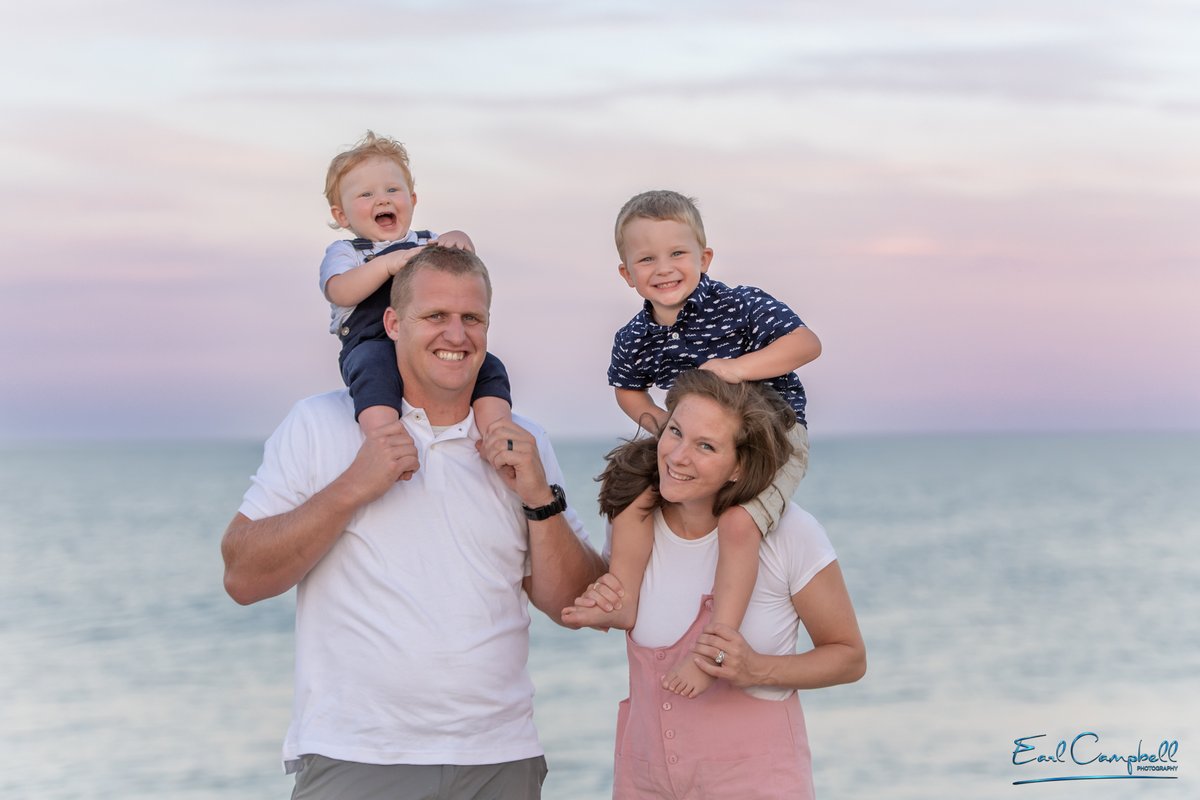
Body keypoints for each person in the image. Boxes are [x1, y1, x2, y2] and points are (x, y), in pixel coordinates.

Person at [222, 245, 607, 799]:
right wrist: (355, 485)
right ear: (393, 323)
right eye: (435, 317)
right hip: (359, 756)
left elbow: (575, 603)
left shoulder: (525, 440)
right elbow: (242, 576)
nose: (456, 335)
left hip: (500, 759)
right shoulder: (318, 423)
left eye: (471, 318)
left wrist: (537, 496)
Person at [565, 370, 865, 799]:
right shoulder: (636, 521)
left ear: (738, 466)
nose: (677, 456)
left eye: (706, 446)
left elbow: (849, 657)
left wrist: (755, 669)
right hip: (643, 781)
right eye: (675, 433)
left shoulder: (789, 533)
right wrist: (598, 601)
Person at [576, 189, 822, 697]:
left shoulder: (739, 304)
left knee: (737, 521)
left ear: (704, 258)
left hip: (772, 434)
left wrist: (736, 369)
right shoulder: (635, 336)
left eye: (677, 254)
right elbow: (626, 388)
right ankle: (623, 596)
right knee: (629, 480)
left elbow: (806, 344)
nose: (664, 268)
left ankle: (716, 643)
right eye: (646, 259)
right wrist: (661, 424)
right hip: (699, 435)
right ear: (627, 274)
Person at [320, 131, 513, 474]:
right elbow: (340, 291)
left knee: (490, 367)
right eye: (366, 194)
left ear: (411, 198)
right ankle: (385, 442)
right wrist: (387, 264)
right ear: (343, 215)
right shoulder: (348, 252)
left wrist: (460, 238)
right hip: (371, 342)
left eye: (392, 190)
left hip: (424, 341)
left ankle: (498, 433)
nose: (383, 199)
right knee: (373, 372)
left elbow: (458, 262)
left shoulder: (425, 241)